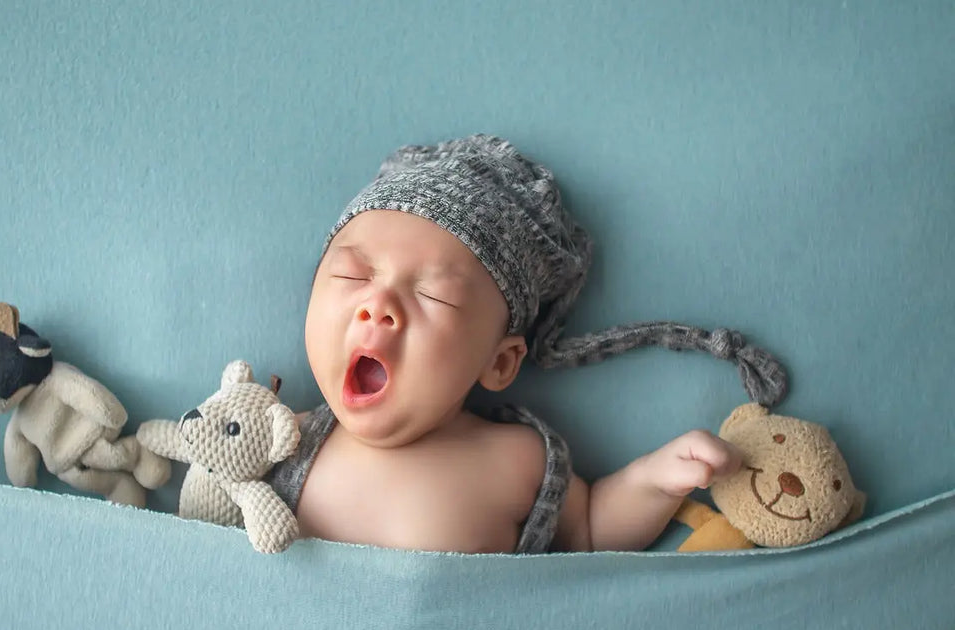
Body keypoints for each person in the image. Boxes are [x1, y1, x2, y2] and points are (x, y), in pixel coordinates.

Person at [269, 135, 787, 554]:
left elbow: (587, 531)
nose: (377, 304)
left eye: (432, 295)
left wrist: (653, 481)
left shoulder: (513, 461)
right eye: (353, 276)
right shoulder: (279, 440)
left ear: (500, 362)